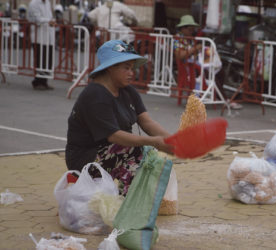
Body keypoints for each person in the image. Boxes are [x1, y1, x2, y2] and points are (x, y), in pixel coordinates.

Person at [65, 40, 173, 196]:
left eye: (132, 68)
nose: (132, 73)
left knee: (150, 158)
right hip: (87, 158)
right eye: (126, 68)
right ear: (110, 68)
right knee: (138, 150)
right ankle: (127, 201)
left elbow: (147, 122)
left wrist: (173, 141)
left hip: (115, 151)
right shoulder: (95, 95)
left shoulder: (128, 91)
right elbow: (114, 136)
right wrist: (154, 141)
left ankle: (128, 199)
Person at [27, 0, 55, 90]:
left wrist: (51, 21)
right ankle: (37, 81)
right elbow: (36, 19)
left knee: (47, 60)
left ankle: (44, 81)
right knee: (40, 60)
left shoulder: (47, 3)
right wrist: (49, 21)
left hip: (48, 36)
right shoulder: (34, 3)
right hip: (38, 37)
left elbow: (49, 17)